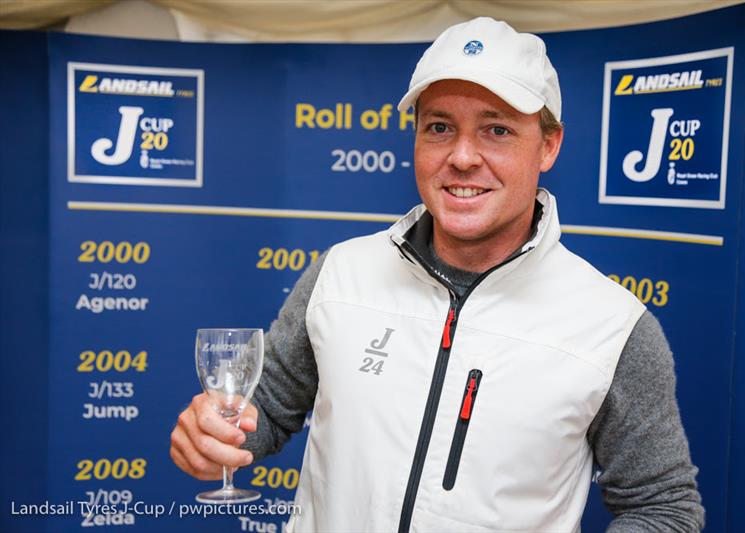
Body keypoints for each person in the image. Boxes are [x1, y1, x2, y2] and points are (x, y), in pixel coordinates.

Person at [170, 17, 704, 532]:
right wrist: (216, 435)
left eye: (496, 129)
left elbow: (664, 508)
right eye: (440, 127)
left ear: (548, 145)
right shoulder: (339, 274)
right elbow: (265, 412)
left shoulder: (614, 328)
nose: (463, 157)